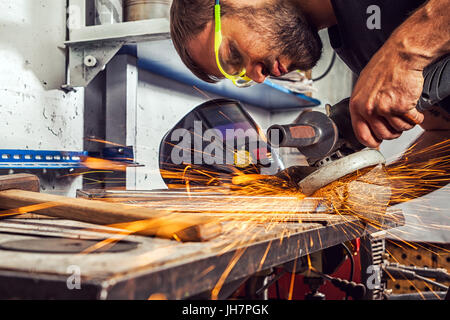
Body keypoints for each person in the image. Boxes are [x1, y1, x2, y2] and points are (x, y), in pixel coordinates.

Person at [169, 0, 450, 148]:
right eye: (238, 73)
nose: (257, 78)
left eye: (231, 54)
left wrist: (404, 53)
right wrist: (383, 190)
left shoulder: (391, 56)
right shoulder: (358, 53)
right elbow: (444, 133)